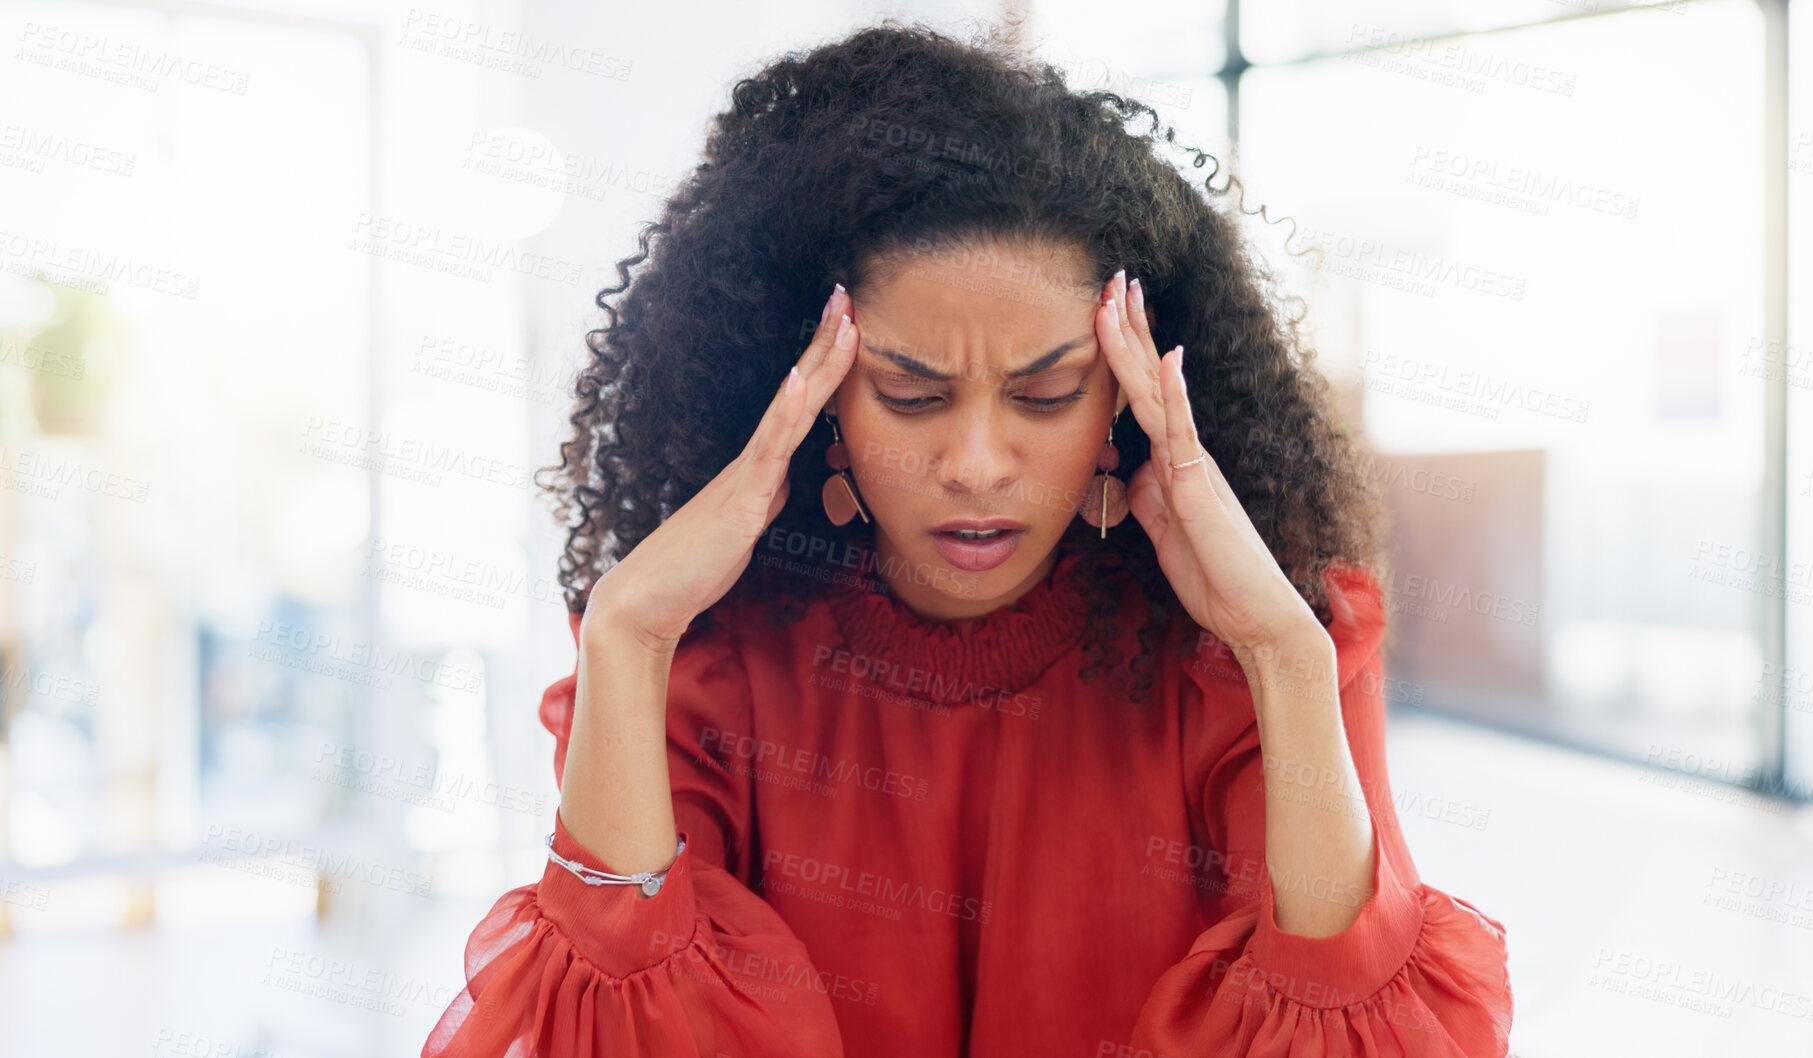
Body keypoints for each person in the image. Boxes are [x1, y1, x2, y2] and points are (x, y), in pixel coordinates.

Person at [423, 20, 1512, 1058]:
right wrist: (623, 633)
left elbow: (1348, 1022)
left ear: (1123, 405)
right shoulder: (703, 659)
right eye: (909, 394)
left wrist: (1285, 653)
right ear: (817, 398)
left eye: (1046, 394)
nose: (978, 462)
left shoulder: (1245, 653)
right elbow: (624, 1028)